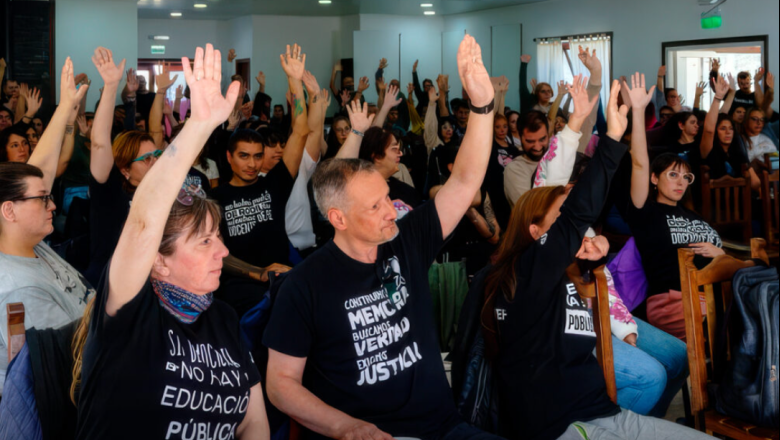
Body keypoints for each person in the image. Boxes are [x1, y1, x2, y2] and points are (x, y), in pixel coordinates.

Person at [263, 34, 505, 440]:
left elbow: (463, 183)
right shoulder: (305, 286)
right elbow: (280, 383)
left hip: (443, 427)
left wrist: (482, 106)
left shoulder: (405, 240)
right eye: (374, 207)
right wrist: (346, 427)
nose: (390, 211)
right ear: (337, 218)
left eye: (387, 198)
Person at [482, 78, 711, 440]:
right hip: (568, 403)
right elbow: (564, 198)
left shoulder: (582, 238)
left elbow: (604, 290)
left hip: (605, 359)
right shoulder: (537, 254)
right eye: (565, 213)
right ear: (536, 230)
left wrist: (620, 316)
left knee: (677, 357)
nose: (574, 218)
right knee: (650, 376)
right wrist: (580, 126)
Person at [73, 44, 269, 439]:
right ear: (158, 262)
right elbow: (145, 223)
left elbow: (253, 423)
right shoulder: (130, 314)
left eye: (217, 238)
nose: (223, 251)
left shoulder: (223, 318)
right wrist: (198, 125)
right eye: (204, 242)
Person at [0, 58, 93, 395]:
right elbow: (77, 362)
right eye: (44, 200)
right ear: (9, 211)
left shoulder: (24, 241)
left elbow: (37, 175)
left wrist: (66, 105)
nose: (53, 205)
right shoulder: (16, 292)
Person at [210, 43, 310, 316]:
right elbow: (215, 252)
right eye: (244, 156)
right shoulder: (216, 199)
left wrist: (295, 80)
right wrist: (258, 274)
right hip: (240, 288)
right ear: (229, 158)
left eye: (257, 156)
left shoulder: (274, 184)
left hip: (281, 280)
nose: (252, 164)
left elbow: (300, 131)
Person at [622, 75, 723, 342]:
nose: (681, 183)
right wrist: (638, 109)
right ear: (655, 179)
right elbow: (641, 164)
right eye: (672, 175)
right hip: (676, 300)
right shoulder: (646, 212)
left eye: (686, 178)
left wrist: (722, 256)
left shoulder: (692, 215)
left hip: (714, 291)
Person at [700, 76, 759, 189]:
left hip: (740, 202)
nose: (728, 132)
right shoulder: (708, 151)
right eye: (722, 128)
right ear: (716, 132)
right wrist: (718, 98)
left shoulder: (737, 151)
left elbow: (756, 183)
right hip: (715, 204)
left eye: (731, 129)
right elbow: (708, 131)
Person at [484, 113, 521, 230]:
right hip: (496, 192)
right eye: (498, 126)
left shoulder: (513, 149)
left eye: (505, 126)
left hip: (511, 190)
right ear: (493, 128)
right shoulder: (490, 147)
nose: (502, 130)